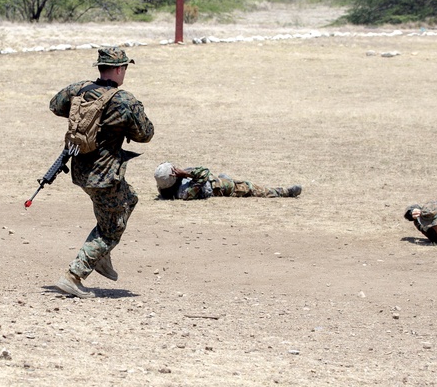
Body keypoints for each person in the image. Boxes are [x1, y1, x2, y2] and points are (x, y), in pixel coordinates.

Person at [48, 47, 154, 298]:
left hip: (81, 171)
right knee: (111, 228)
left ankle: (101, 257)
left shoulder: (78, 90)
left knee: (129, 199)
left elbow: (55, 105)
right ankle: (74, 275)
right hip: (106, 175)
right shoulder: (124, 100)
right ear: (118, 69)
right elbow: (146, 134)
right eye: (125, 68)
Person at [154, 162, 301, 200]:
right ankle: (284, 192)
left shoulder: (166, 188)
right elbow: (203, 172)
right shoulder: (185, 193)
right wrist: (185, 173)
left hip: (216, 181)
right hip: (221, 188)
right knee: (251, 188)